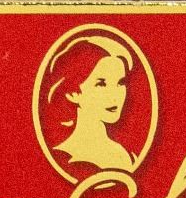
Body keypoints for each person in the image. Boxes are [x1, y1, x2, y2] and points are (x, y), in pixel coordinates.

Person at [43, 32, 138, 172]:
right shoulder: (64, 157)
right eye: (101, 84)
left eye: (120, 83)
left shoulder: (126, 156)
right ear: (73, 93)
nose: (114, 95)